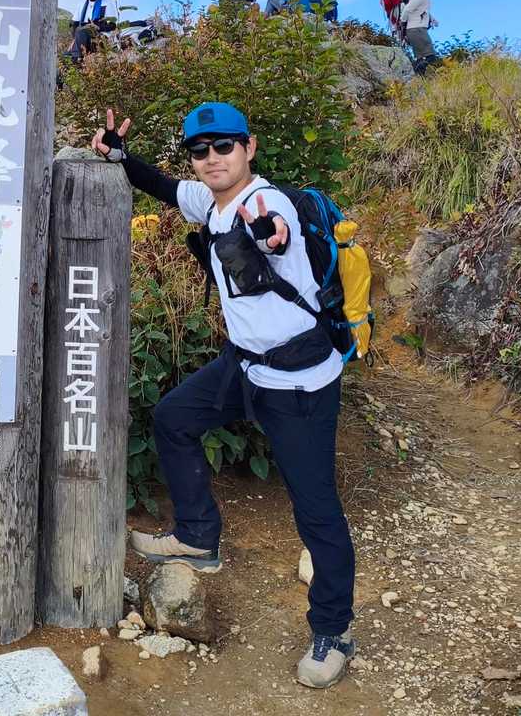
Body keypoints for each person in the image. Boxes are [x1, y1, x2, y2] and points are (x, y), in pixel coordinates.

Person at [90, 103, 356, 690]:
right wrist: (118, 154)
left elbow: (276, 234)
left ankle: (333, 631)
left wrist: (270, 237)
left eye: (224, 146)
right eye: (200, 149)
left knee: (315, 510)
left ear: (248, 147)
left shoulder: (268, 204)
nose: (212, 157)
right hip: (245, 365)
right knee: (174, 417)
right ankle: (197, 535)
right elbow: (162, 186)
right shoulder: (209, 202)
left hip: (298, 381)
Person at [65, 0, 109, 64]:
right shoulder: (81, 4)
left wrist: (95, 26)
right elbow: (75, 24)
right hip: (81, 36)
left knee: (82, 30)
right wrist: (74, 40)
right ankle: (75, 56)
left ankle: (77, 59)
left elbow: (112, 25)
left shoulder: (107, 4)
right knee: (65, 55)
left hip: (100, 37)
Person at [402, 0, 441, 73]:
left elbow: (420, 9)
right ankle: (414, 72)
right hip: (417, 29)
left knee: (420, 59)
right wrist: (403, 22)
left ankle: (418, 77)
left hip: (414, 29)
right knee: (431, 56)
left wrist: (431, 18)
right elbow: (408, 9)